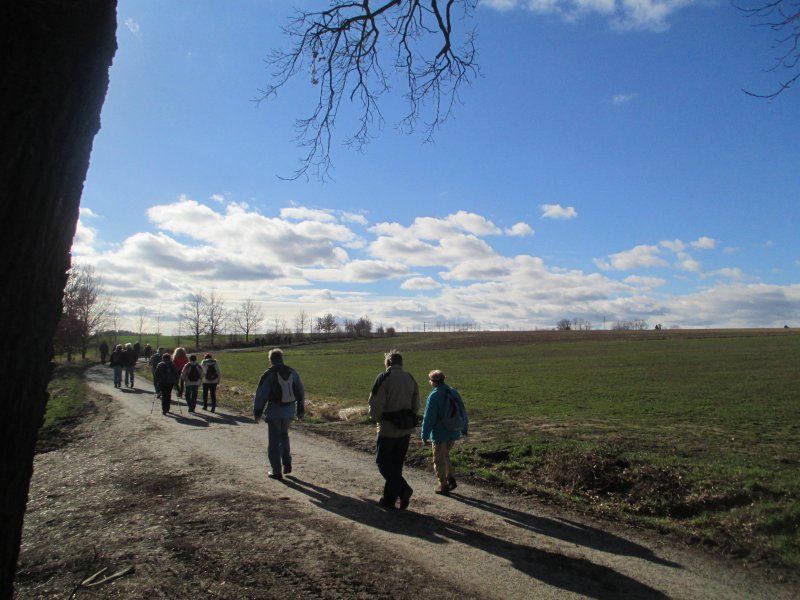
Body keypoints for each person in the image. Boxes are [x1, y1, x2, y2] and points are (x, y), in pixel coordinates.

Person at [367, 349, 420, 510]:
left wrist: (376, 418)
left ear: (387, 363)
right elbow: (416, 404)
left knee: (382, 462)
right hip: (405, 429)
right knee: (396, 464)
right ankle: (389, 500)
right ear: (401, 363)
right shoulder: (410, 378)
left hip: (387, 428)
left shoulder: (384, 378)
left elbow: (375, 403)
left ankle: (403, 489)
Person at [252, 348, 305, 480]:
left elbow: (261, 394)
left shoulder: (268, 374)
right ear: (282, 358)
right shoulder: (292, 371)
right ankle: (286, 462)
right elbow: (300, 390)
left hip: (275, 409)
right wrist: (300, 409)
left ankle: (276, 471)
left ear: (270, 360)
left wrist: (257, 412)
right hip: (289, 409)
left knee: (274, 441)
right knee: (284, 436)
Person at [420, 370, 469, 496]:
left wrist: (424, 435)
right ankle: (451, 478)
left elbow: (429, 418)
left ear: (432, 382)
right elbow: (463, 410)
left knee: (438, 460)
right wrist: (464, 427)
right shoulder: (453, 392)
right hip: (453, 432)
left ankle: (443, 485)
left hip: (440, 434)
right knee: (445, 455)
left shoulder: (434, 396)